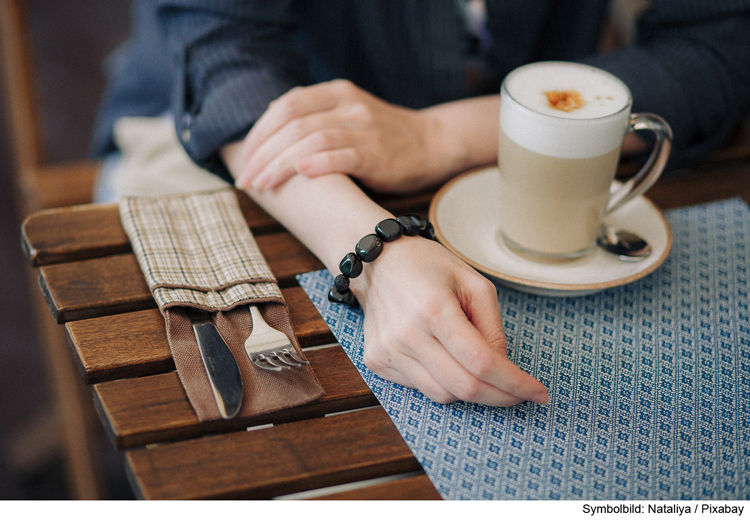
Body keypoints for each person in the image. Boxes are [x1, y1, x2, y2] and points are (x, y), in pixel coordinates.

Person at [91, 0, 750, 407]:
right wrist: (374, 249)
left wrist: (440, 135)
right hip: (232, 137)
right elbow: (222, 56)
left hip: (504, 130)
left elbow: (721, 44)